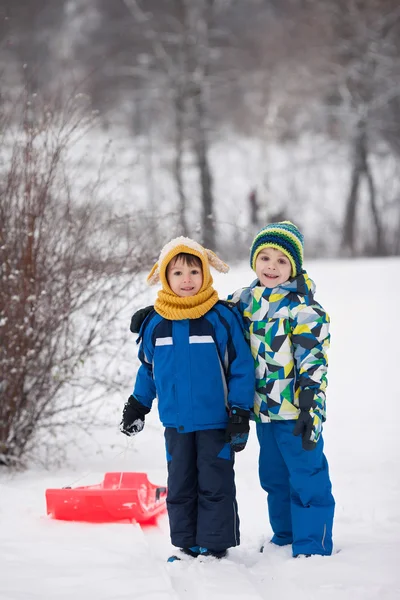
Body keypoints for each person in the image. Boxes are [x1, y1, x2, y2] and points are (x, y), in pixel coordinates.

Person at [120, 237, 255, 561]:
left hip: (216, 421)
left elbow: (241, 367)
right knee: (180, 482)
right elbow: (149, 369)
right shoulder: (155, 322)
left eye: (194, 271)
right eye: (178, 273)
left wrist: (239, 411)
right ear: (165, 276)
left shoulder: (220, 317)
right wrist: (138, 404)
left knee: (215, 481)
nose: (187, 279)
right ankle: (186, 541)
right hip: (176, 423)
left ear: (206, 274)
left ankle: (215, 542)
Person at [228, 221, 335, 558]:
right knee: (274, 478)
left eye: (281, 261)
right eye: (265, 258)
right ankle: (286, 535)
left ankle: (311, 545)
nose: (271, 267)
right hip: (263, 412)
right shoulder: (242, 302)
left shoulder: (303, 309)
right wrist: (161, 312)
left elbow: (313, 362)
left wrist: (310, 409)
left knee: (307, 476)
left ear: (294, 267)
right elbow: (203, 312)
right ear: (254, 262)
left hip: (295, 412)